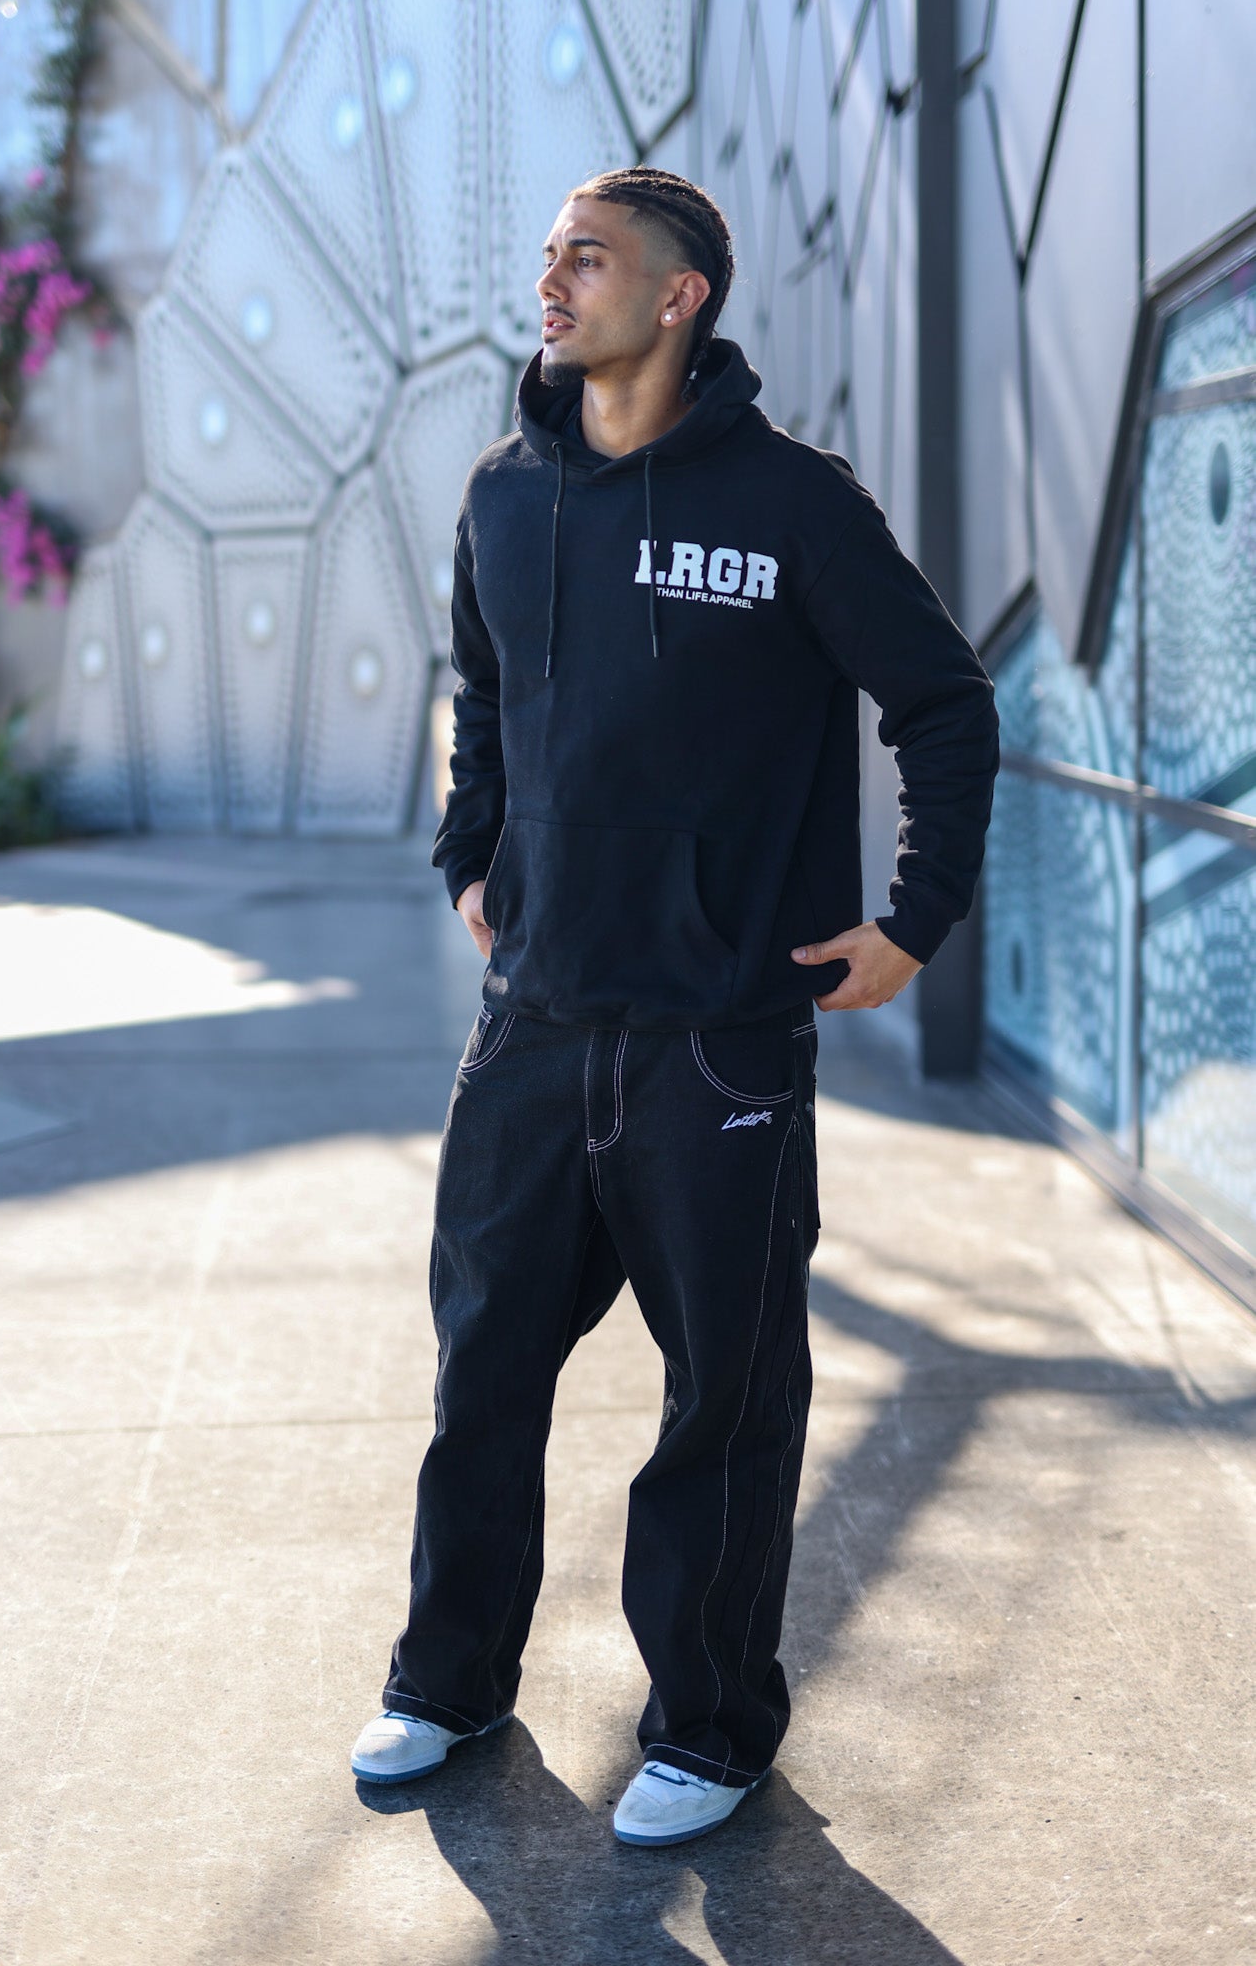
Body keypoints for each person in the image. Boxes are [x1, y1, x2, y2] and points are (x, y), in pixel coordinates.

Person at [351, 167, 999, 1846]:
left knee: (722, 1397)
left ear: (681, 292)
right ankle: (447, 1678)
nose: (552, 282)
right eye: (548, 257)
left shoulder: (794, 502)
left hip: (719, 1032)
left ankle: (708, 1726)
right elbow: (479, 696)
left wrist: (914, 920)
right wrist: (467, 851)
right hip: (533, 1028)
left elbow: (939, 700)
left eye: (589, 258)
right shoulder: (505, 492)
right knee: (481, 1372)